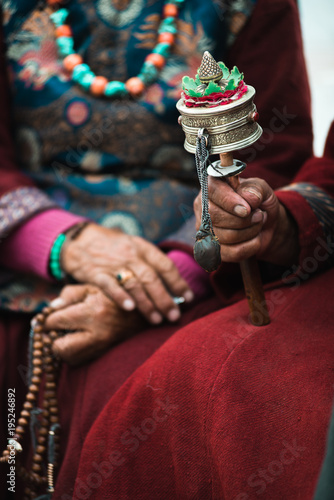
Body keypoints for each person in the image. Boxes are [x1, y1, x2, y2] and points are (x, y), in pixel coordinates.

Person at [0, 0, 317, 498]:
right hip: (20, 252)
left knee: (153, 404)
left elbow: (274, 157)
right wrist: (62, 242)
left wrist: (179, 273)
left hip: (191, 259)